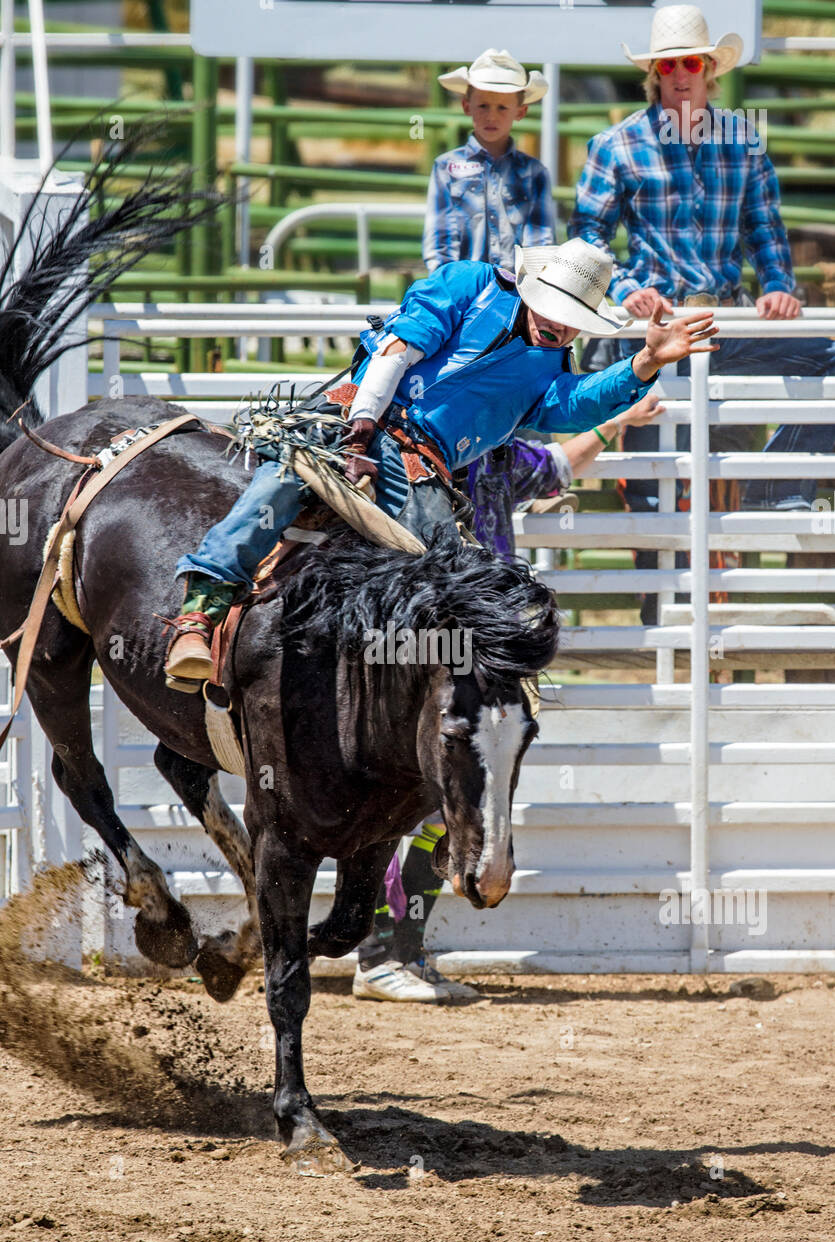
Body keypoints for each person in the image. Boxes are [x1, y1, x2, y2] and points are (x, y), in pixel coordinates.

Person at [164, 240, 713, 686]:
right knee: (282, 482)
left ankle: (413, 683)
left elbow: (567, 405)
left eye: (575, 322)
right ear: (532, 290)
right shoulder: (468, 284)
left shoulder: (550, 363)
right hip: (359, 414)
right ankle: (199, 614)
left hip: (425, 461)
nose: (563, 329)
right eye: (559, 312)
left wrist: (642, 364)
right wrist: (361, 431)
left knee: (436, 561)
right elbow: (399, 348)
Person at [353, 388, 666, 1003]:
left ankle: (398, 953)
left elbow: (558, 466)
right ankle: (382, 953)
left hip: (473, 649)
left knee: (450, 801)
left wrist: (618, 420)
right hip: (430, 646)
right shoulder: (427, 450)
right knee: (427, 797)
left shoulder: (498, 455)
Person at [569, 2, 835, 619]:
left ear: (709, 70)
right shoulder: (616, 146)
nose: (681, 74)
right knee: (667, 467)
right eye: (670, 64)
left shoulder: (743, 142)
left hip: (725, 325)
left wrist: (778, 286)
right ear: (656, 74)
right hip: (655, 330)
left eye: (692, 62)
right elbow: (588, 239)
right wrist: (630, 286)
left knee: (829, 361)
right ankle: (664, 609)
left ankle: (778, 488)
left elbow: (766, 232)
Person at [423, 48, 556, 274]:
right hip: (462, 292)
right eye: (483, 105)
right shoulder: (446, 168)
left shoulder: (534, 173)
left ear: (520, 112)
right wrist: (451, 285)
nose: (491, 116)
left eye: (502, 107)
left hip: (516, 293)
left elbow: (541, 243)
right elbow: (440, 241)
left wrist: (531, 284)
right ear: (467, 107)